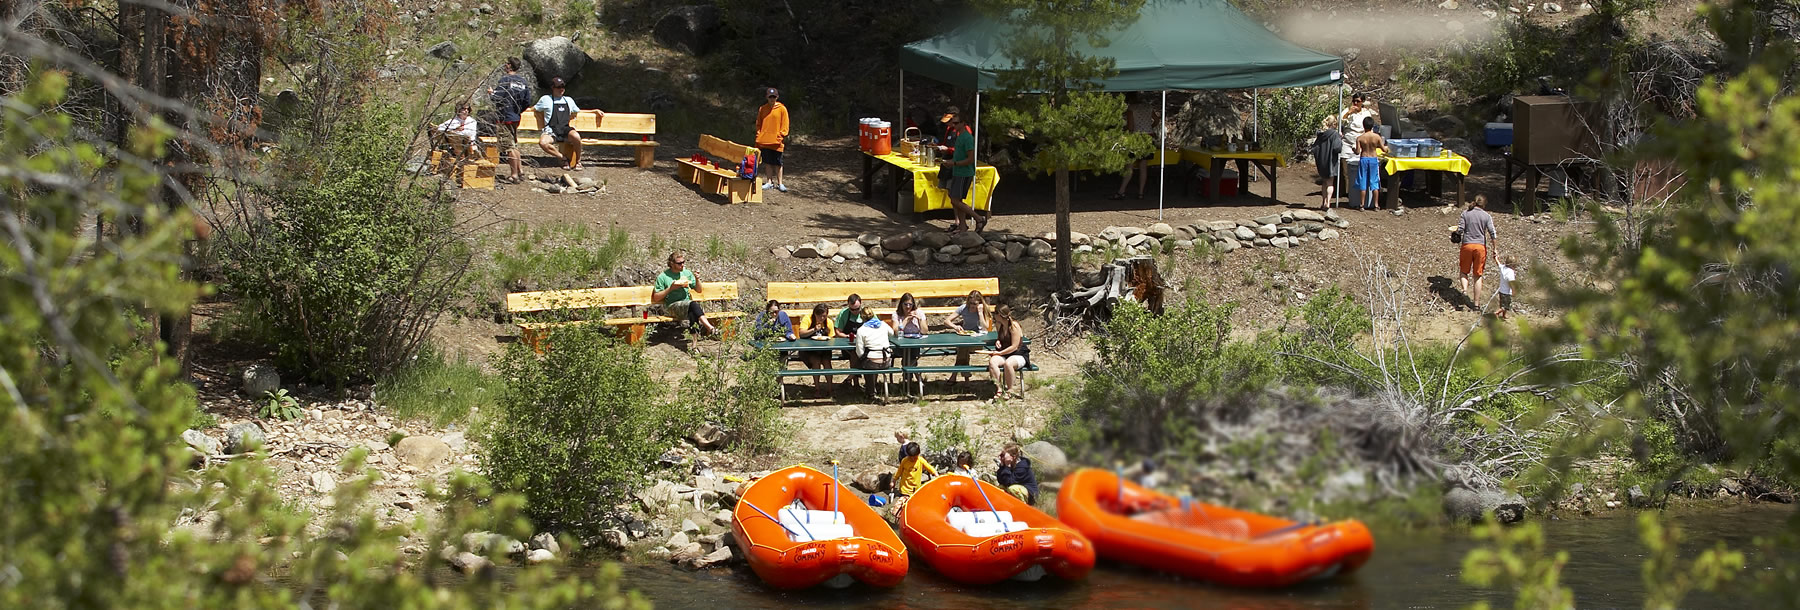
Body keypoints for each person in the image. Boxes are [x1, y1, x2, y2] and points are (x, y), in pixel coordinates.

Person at [938, 112, 987, 234]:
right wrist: (950, 162)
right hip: (957, 171)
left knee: (955, 200)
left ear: (963, 123)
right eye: (952, 123)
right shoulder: (959, 136)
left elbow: (970, 159)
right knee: (957, 200)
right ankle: (962, 226)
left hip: (964, 173)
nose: (953, 125)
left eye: (956, 123)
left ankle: (979, 218)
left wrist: (954, 163)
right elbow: (958, 155)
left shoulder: (967, 138)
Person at [487, 57, 532, 183]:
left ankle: (514, 175)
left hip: (505, 117)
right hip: (515, 117)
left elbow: (497, 98)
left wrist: (491, 93)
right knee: (514, 145)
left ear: (510, 66)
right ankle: (520, 171)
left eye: (506, 63)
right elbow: (527, 101)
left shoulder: (505, 80)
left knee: (509, 147)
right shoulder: (523, 82)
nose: (504, 65)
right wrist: (518, 111)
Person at [652, 251, 718, 335]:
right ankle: (710, 328)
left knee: (692, 311)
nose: (682, 265)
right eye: (679, 263)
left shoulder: (687, 273)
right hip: (672, 306)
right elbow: (656, 297)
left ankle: (694, 340)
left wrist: (697, 279)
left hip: (687, 304)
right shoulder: (663, 277)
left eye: (683, 262)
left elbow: (699, 290)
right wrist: (671, 288)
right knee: (693, 305)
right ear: (672, 264)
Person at [533, 77, 593, 171]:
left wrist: (594, 111)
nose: (561, 89)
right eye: (558, 87)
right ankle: (562, 158)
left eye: (563, 87)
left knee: (576, 137)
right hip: (551, 130)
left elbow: (578, 111)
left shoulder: (568, 100)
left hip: (565, 129)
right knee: (543, 143)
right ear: (552, 87)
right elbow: (534, 109)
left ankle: (578, 161)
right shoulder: (545, 99)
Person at [1112, 93, 1163, 201]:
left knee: (1129, 166)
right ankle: (1141, 193)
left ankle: (1121, 191)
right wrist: (1150, 127)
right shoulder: (1148, 106)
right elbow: (1157, 120)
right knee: (1143, 167)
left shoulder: (1131, 109)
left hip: (1136, 138)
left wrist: (1123, 132)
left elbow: (1130, 127)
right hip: (1148, 137)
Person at [980, 305, 1030, 399]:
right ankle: (999, 388)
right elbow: (1001, 338)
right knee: (993, 361)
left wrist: (1000, 353)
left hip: (1018, 354)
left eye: (995, 313)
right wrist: (998, 341)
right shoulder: (1000, 325)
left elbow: (1014, 346)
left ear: (999, 315)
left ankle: (1010, 389)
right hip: (1005, 353)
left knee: (1008, 364)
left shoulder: (1014, 326)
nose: (994, 316)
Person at [1458, 195, 1499, 306]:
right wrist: (1495, 248)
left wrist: (1455, 234)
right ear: (1484, 204)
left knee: (1464, 272)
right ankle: (1476, 304)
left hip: (1467, 245)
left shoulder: (1465, 214)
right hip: (1480, 247)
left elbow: (1460, 229)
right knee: (1477, 276)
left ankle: (1465, 290)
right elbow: (1492, 233)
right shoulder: (1486, 216)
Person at [946, 290, 989, 383]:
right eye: (970, 303)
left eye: (975, 304)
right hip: (965, 337)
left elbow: (986, 327)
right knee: (964, 347)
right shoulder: (964, 308)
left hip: (978, 340)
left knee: (963, 348)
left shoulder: (983, 310)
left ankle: (954, 375)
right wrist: (955, 326)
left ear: (980, 303)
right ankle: (966, 378)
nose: (972, 306)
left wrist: (980, 313)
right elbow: (947, 321)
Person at [754, 87, 790, 193]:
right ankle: (769, 182)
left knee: (778, 162)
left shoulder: (782, 109)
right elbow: (758, 123)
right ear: (767, 97)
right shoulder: (762, 109)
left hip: (777, 142)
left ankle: (780, 183)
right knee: (767, 161)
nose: (772, 99)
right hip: (764, 141)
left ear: (777, 97)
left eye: (774, 97)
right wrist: (759, 135)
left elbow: (785, 125)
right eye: (770, 97)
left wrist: (781, 136)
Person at [797, 303, 835, 395]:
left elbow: (832, 338)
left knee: (827, 362)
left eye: (824, 316)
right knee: (816, 361)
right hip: (809, 350)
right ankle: (817, 389)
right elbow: (801, 333)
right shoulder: (808, 319)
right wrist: (813, 330)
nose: (821, 318)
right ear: (815, 314)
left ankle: (830, 388)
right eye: (819, 316)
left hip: (824, 349)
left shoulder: (829, 322)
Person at [1353, 116, 1388, 211]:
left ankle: (1362, 204)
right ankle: (1376, 205)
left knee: (1363, 181)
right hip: (1373, 159)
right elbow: (1384, 149)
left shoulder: (1360, 138)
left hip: (1364, 158)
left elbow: (1357, 152)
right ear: (1372, 126)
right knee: (1374, 181)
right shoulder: (1376, 137)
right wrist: (1387, 147)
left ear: (1363, 126)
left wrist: (1353, 149)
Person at [834, 294, 866, 389]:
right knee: (855, 354)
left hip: (864, 344)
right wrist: (847, 336)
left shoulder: (866, 313)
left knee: (865, 353)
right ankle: (855, 383)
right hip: (848, 344)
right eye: (852, 309)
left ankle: (850, 379)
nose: (855, 312)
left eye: (857, 309)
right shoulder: (844, 314)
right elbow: (838, 332)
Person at [852, 306, 895, 375]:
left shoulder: (861, 330)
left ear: (861, 317)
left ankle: (852, 378)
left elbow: (859, 351)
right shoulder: (883, 324)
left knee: (858, 360)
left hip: (871, 362)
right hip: (886, 361)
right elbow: (892, 333)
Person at [893, 441, 938, 506]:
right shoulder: (905, 461)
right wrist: (894, 480)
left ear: (918, 454)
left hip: (915, 488)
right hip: (905, 488)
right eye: (910, 457)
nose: (912, 459)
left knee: (914, 504)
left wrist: (936, 474)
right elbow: (899, 471)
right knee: (903, 504)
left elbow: (929, 467)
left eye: (915, 457)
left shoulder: (920, 460)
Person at [1313, 115, 1342, 210]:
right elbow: (1337, 148)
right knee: (1330, 183)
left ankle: (1323, 201)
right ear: (1333, 124)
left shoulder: (1320, 135)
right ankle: (1328, 203)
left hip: (1322, 161)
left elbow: (1315, 148)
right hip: (1331, 161)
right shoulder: (1334, 134)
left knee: (1324, 182)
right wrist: (1340, 139)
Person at [1496, 255, 1518, 320]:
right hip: (1507, 292)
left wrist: (1496, 258)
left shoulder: (1503, 267)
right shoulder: (1510, 272)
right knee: (1505, 306)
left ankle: (1504, 315)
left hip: (1501, 291)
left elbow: (1498, 263)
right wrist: (1514, 291)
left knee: (1503, 304)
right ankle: (1497, 313)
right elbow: (1511, 283)